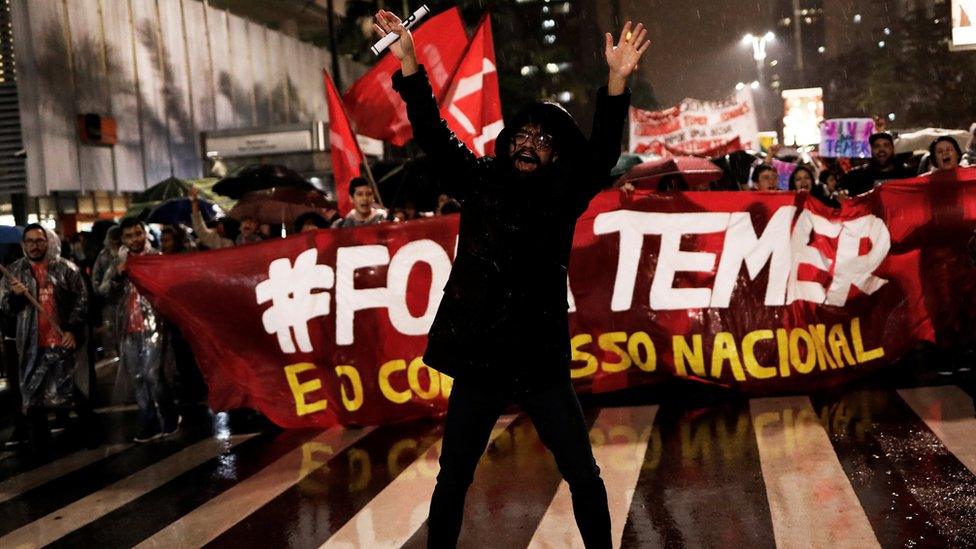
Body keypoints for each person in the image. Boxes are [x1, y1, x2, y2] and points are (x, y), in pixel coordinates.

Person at [375, 10, 647, 548]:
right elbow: (430, 129)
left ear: (557, 155)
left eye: (542, 139)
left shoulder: (565, 194)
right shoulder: (480, 180)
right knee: (452, 478)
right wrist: (408, 59)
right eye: (521, 133)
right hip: (479, 357)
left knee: (584, 476)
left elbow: (601, 154)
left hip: (540, 360)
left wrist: (616, 82)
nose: (528, 142)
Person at [0, 224, 98, 457]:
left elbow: (81, 302)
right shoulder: (14, 273)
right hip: (32, 346)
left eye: (39, 240)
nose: (35, 245)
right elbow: (6, 308)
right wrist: (16, 297)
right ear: (23, 244)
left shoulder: (66, 269)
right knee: (33, 398)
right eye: (30, 241)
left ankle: (91, 434)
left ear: (48, 242)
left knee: (76, 393)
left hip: (63, 343)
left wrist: (73, 330)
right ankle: (40, 446)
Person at [98, 218, 180, 442]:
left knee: (152, 374)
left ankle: (169, 416)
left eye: (138, 234)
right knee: (137, 377)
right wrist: (118, 274)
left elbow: (170, 290)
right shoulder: (118, 262)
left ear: (145, 234)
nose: (135, 239)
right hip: (129, 329)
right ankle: (149, 422)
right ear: (122, 239)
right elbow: (103, 292)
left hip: (155, 327)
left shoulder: (156, 259)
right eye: (129, 236)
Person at [837, 132, 914, 196]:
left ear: (892, 149)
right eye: (877, 146)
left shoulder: (907, 174)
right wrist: (841, 195)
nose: (881, 149)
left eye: (886, 145)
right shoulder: (855, 176)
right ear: (870, 150)